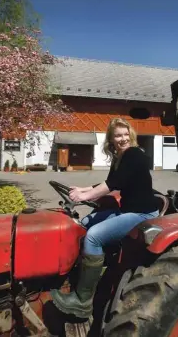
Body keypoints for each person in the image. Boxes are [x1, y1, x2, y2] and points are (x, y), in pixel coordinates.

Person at [50, 118, 159, 318]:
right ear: (111, 138)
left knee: (93, 236)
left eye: (126, 134)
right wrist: (83, 189)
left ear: (131, 135)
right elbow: (109, 182)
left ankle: (83, 300)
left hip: (141, 214)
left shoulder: (134, 154)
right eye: (118, 135)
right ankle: (79, 274)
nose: (123, 138)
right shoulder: (120, 157)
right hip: (126, 210)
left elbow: (111, 185)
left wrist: (84, 197)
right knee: (83, 223)